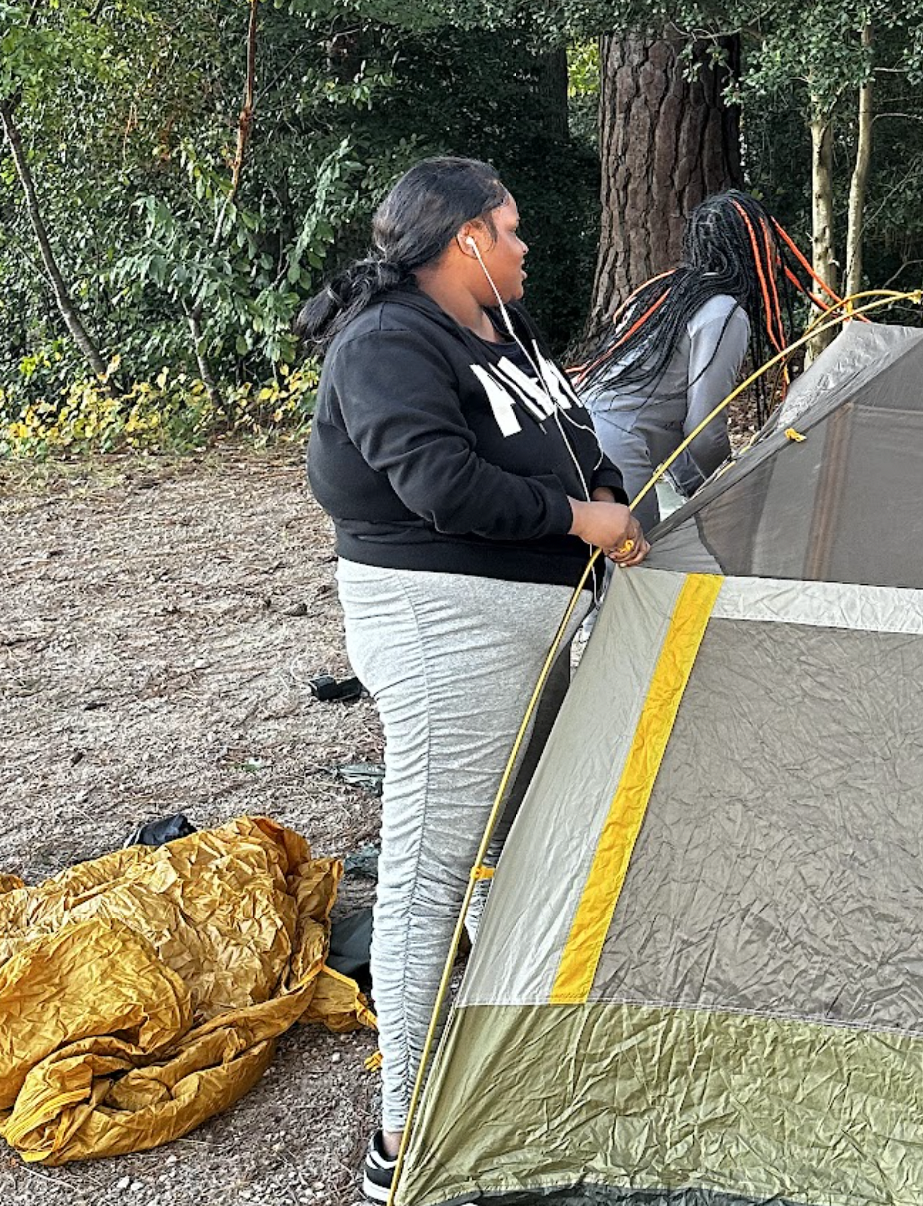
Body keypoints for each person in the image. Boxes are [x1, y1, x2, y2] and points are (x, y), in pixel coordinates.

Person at [293, 156, 646, 1204]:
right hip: (447, 625)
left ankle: (511, 1028)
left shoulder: (504, 328)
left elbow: (570, 434)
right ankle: (402, 1130)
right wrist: (578, 522)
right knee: (428, 874)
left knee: (511, 840)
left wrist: (607, 492)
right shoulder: (386, 344)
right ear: (465, 244)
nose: (527, 246)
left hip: (541, 619)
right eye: (513, 228)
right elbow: (439, 482)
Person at [573, 189, 824, 528]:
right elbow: (703, 431)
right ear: (750, 250)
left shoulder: (662, 291)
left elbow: (662, 417)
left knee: (610, 566)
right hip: (611, 446)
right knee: (638, 565)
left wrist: (697, 487)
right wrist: (735, 488)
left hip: (572, 427)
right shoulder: (723, 312)